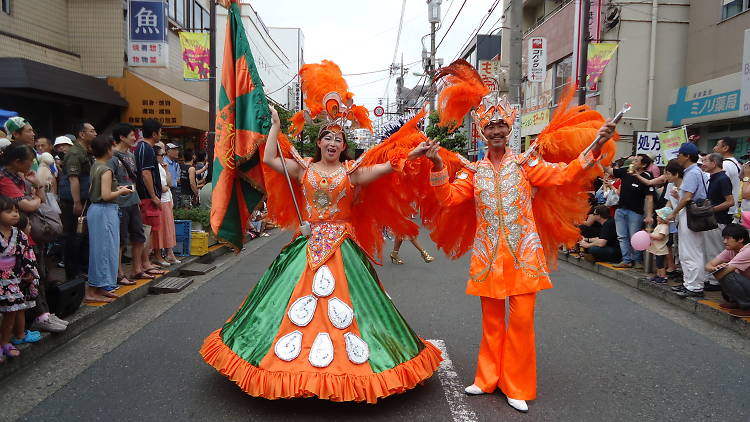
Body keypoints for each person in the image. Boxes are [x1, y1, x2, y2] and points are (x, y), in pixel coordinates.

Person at [200, 62, 442, 403]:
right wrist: (275, 126)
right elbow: (269, 158)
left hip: (342, 245)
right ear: (319, 142)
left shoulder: (352, 172)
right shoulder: (303, 169)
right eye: (327, 137)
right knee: (282, 303)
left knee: (356, 306)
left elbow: (386, 167)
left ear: (344, 146)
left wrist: (412, 153)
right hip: (308, 241)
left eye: (338, 138)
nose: (332, 141)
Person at [418, 59, 617, 413]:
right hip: (487, 257)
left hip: (524, 256)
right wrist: (436, 167)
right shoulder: (473, 172)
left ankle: (516, 384)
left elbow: (566, 176)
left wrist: (596, 147)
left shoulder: (526, 164)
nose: (496, 132)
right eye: (490, 128)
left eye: (501, 126)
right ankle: (486, 378)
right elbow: (447, 199)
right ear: (482, 133)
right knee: (491, 321)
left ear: (509, 129)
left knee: (522, 322)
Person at [86, 137, 133, 303]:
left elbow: (94, 189)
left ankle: (100, 287)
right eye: (112, 147)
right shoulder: (106, 170)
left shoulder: (95, 166)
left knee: (101, 251)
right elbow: (106, 196)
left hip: (97, 211)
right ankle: (93, 290)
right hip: (105, 211)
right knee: (104, 251)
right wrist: (121, 192)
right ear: (107, 149)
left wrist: (117, 188)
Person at [0, 196, 41, 362]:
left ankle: (5, 342)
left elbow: (26, 254)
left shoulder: (19, 235)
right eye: (9, 211)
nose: (15, 215)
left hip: (14, 278)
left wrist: (29, 270)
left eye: (16, 211)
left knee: (12, 312)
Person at [667, 142, 710, 297]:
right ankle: (690, 284)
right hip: (693, 213)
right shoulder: (694, 171)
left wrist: (673, 213)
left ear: (686, 156)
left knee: (690, 252)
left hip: (690, 213)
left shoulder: (692, 173)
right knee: (691, 251)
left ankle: (694, 287)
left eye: (679, 154)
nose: (678, 157)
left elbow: (687, 198)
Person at [108, 123, 148, 284]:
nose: (135, 138)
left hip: (133, 200)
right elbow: (108, 181)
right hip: (120, 203)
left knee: (138, 235)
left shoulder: (131, 156)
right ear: (122, 137)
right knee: (121, 239)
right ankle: (119, 273)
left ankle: (137, 269)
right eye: (132, 135)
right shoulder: (111, 157)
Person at [59, 122, 96, 280]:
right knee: (72, 238)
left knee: (83, 236)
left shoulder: (86, 151)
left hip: (85, 199)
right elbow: (74, 179)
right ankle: (72, 274)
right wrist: (76, 202)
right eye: (92, 131)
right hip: (74, 201)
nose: (95, 133)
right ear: (82, 134)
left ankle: (83, 269)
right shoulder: (75, 152)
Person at [606, 154, 655, 269]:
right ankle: (626, 260)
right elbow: (609, 170)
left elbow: (649, 198)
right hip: (621, 209)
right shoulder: (626, 172)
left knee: (635, 237)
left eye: (637, 161)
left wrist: (648, 215)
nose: (634, 162)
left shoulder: (647, 176)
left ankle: (637, 260)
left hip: (636, 212)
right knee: (622, 236)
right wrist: (599, 160)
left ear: (643, 165)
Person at [134, 119, 166, 278]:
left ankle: (146, 261)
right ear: (154, 133)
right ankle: (144, 263)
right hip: (147, 197)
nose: (161, 134)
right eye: (160, 131)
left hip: (145, 196)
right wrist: (153, 196)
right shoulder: (146, 149)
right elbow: (145, 173)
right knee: (147, 231)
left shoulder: (142, 147)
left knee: (147, 231)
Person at [705, 224, 750, 317]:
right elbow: (708, 266)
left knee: (729, 275)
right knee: (725, 272)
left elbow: (720, 274)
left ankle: (747, 307)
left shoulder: (747, 251)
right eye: (724, 238)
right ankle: (736, 302)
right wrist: (715, 268)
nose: (724, 241)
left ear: (741, 239)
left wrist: (718, 269)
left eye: (728, 238)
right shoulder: (731, 249)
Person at [152, 145, 179, 265]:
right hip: (161, 201)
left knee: (168, 228)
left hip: (166, 200)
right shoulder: (153, 167)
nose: (163, 157)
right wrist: (167, 187)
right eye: (161, 155)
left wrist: (167, 169)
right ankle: (161, 255)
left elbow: (169, 184)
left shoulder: (162, 166)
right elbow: (162, 188)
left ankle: (169, 253)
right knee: (161, 229)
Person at [713, 137, 740, 219]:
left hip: (723, 209)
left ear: (725, 148)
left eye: (717, 145)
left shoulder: (725, 164)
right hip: (729, 209)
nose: (714, 148)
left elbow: (720, 185)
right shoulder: (735, 162)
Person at [647, 206, 673, 283]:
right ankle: (658, 275)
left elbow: (660, 237)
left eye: (659, 216)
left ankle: (663, 277)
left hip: (661, 249)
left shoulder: (664, 227)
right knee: (658, 264)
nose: (657, 217)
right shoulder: (660, 225)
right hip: (657, 248)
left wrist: (650, 235)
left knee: (660, 264)